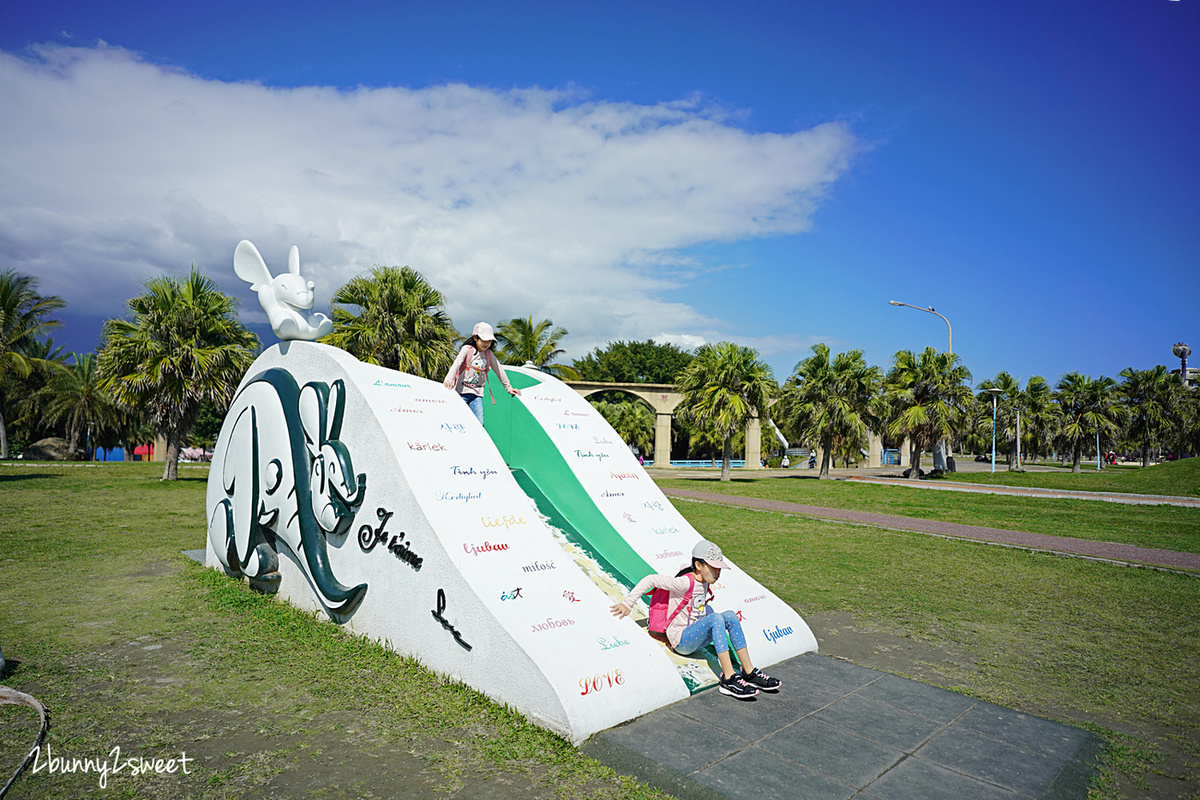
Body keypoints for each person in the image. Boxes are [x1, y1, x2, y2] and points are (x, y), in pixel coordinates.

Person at [610, 540, 781, 699]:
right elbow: (651, 579)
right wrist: (627, 603)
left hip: (695, 636)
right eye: (713, 568)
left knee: (729, 615)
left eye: (719, 568)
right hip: (681, 641)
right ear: (698, 565)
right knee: (715, 618)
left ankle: (749, 672)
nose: (718, 572)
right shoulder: (685, 583)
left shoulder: (706, 581)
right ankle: (728, 679)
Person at [443, 322, 521, 425]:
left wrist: (509, 388)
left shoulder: (488, 354)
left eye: (489, 341)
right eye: (483, 340)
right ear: (475, 338)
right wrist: (449, 379)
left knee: (479, 423)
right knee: (458, 421)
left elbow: (499, 370)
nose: (486, 344)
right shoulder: (467, 349)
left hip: (477, 394)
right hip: (462, 392)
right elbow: (457, 363)